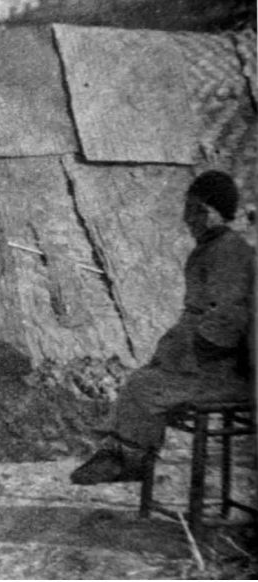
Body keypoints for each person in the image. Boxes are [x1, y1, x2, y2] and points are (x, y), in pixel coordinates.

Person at [71, 170, 254, 485]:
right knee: (144, 381)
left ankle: (129, 460)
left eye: (199, 211)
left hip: (227, 374)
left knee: (143, 388)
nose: (190, 219)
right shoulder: (213, 248)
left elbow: (230, 319)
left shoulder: (229, 252)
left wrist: (191, 354)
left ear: (219, 213)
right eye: (188, 209)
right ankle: (123, 454)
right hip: (211, 365)